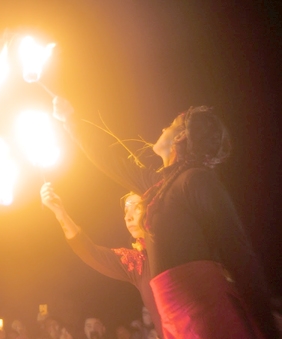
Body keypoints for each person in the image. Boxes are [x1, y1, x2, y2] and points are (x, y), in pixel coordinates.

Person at [53, 99, 279, 338]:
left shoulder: (196, 180)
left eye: (170, 125)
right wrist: (71, 121)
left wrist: (268, 329)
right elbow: (111, 162)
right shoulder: (157, 185)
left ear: (182, 136)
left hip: (207, 315)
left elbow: (240, 256)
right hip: (175, 319)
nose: (162, 129)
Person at [40, 186, 163, 337]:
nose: (127, 217)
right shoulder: (138, 263)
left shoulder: (184, 243)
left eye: (136, 208)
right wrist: (60, 213)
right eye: (125, 211)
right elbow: (89, 251)